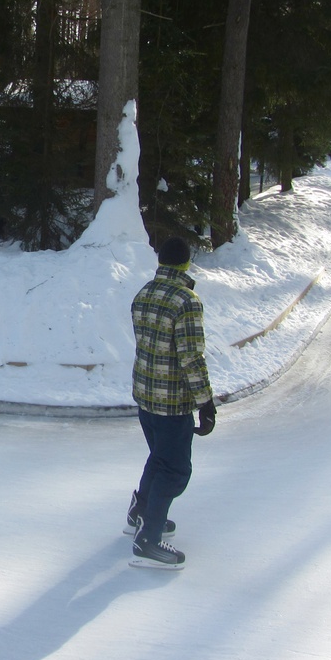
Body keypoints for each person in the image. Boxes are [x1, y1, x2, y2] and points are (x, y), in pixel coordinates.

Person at [127, 236, 216, 570]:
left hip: (145, 396)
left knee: (160, 458)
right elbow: (191, 357)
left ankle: (141, 512)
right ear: (186, 263)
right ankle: (148, 540)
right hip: (172, 403)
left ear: (161, 261)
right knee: (176, 469)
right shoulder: (186, 301)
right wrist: (205, 403)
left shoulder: (143, 294)